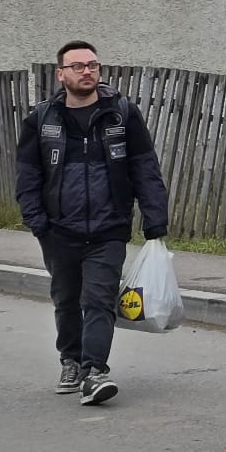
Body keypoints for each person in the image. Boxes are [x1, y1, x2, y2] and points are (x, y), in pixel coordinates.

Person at [15, 40, 170, 406]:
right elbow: (27, 175)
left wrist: (155, 217)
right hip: (59, 230)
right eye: (78, 66)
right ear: (61, 74)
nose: (87, 71)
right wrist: (38, 222)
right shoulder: (41, 119)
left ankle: (94, 371)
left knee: (99, 299)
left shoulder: (121, 113)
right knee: (67, 299)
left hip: (109, 228)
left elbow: (145, 167)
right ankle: (70, 359)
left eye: (93, 65)